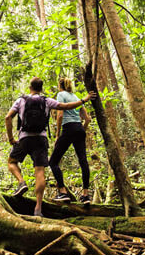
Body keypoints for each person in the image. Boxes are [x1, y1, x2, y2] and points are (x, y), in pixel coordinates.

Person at [6, 77, 95, 217]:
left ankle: (22, 182)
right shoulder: (47, 100)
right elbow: (65, 107)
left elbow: (7, 117)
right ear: (41, 89)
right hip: (41, 139)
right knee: (40, 170)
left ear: (30, 87)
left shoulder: (21, 100)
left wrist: (11, 138)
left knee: (12, 162)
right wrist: (84, 100)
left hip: (24, 138)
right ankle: (38, 208)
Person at [49, 77, 92, 204]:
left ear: (59, 85)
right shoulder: (76, 97)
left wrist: (57, 135)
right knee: (83, 161)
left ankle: (62, 192)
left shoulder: (61, 95)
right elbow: (87, 119)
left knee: (53, 161)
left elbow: (60, 114)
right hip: (79, 128)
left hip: (68, 129)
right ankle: (85, 195)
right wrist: (81, 130)